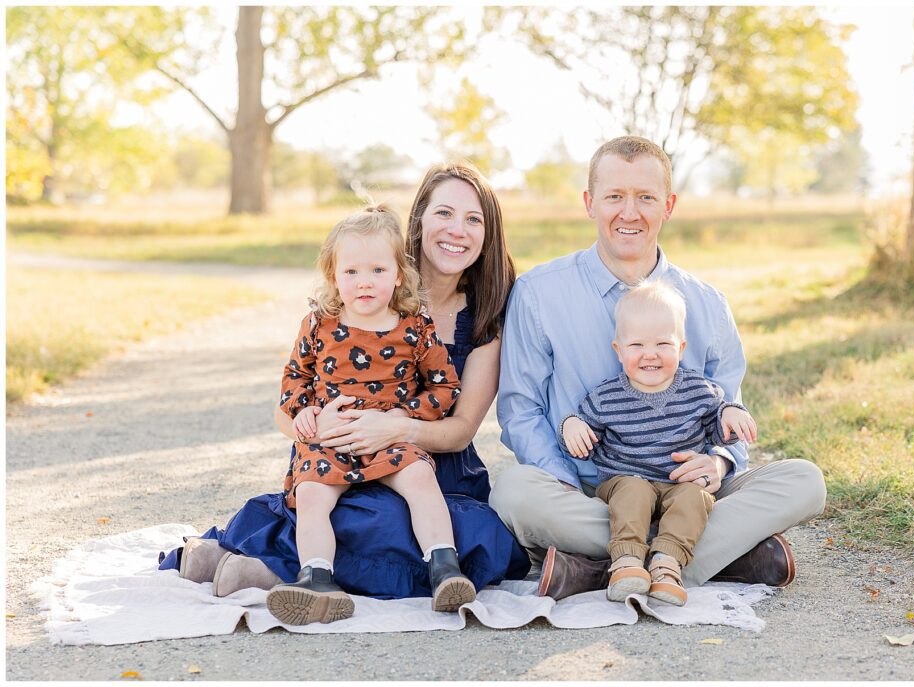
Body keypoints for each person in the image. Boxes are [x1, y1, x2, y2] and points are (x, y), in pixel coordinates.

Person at [161, 162, 529, 605]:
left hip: (430, 462)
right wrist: (314, 423)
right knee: (323, 497)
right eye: (444, 213)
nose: (458, 230)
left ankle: (261, 563)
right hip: (340, 452)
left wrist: (397, 427)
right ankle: (280, 568)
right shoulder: (355, 293)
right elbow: (288, 403)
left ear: (489, 234)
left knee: (426, 523)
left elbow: (462, 427)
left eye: (474, 219)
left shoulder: (485, 318)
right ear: (419, 222)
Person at [490, 135, 827, 600]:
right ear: (590, 203)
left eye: (645, 197)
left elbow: (729, 410)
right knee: (512, 492)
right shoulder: (538, 293)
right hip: (592, 494)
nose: (630, 213)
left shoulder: (707, 303)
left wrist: (718, 461)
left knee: (804, 481)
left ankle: (603, 567)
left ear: (668, 205)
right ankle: (701, 557)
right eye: (614, 197)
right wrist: (566, 485)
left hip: (687, 495)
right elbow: (520, 410)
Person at [264, 204, 472, 624]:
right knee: (311, 494)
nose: (364, 283)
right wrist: (304, 411)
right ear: (334, 277)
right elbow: (295, 375)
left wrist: (404, 414)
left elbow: (445, 387)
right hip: (332, 439)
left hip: (390, 438)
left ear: (398, 275)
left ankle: (444, 568)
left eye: (378, 270)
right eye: (352, 272)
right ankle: (317, 578)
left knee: (419, 477)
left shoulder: (414, 327)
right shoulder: (319, 324)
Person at [559, 281, 757, 606]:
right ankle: (627, 563)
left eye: (663, 344)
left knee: (696, 498)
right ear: (618, 350)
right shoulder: (605, 396)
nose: (650, 354)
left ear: (680, 348)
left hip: (679, 483)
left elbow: (719, 427)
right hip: (625, 481)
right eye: (636, 345)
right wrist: (571, 425)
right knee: (633, 491)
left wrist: (732, 414)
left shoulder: (698, 389)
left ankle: (667, 564)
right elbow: (580, 441)